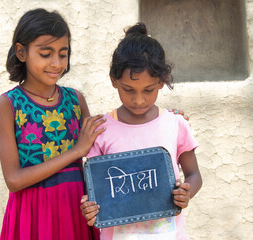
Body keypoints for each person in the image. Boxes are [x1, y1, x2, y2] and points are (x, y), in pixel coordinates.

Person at [80, 22, 202, 240]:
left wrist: (187, 192)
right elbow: (94, 191)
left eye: (148, 90)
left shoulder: (175, 124)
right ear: (114, 81)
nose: (139, 100)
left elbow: (193, 175)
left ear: (162, 82)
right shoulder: (101, 131)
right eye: (129, 90)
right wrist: (88, 207)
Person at [0, 8, 106, 240]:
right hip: (32, 215)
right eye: (46, 54)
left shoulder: (76, 100)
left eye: (62, 54)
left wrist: (158, 116)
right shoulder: (8, 105)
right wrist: (76, 151)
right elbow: (13, 180)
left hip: (76, 210)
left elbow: (103, 144)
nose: (56, 63)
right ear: (21, 52)